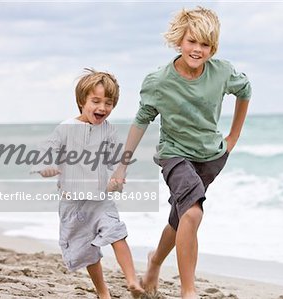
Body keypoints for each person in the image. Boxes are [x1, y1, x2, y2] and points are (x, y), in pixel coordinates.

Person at [108, 6, 252, 299]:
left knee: (181, 218)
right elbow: (141, 120)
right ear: (179, 41)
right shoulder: (159, 81)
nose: (198, 50)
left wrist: (234, 136)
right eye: (192, 41)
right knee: (193, 213)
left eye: (205, 44)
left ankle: (155, 262)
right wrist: (122, 166)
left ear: (213, 47)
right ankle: (189, 291)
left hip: (212, 156)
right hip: (174, 154)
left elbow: (245, 91)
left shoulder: (222, 72)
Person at [35, 69, 144, 299]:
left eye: (109, 103)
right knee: (87, 250)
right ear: (81, 101)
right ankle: (103, 292)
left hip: (100, 199)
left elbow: (117, 162)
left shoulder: (109, 131)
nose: (102, 108)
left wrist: (118, 177)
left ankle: (133, 282)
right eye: (96, 101)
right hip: (73, 204)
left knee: (116, 232)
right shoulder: (65, 128)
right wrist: (48, 167)